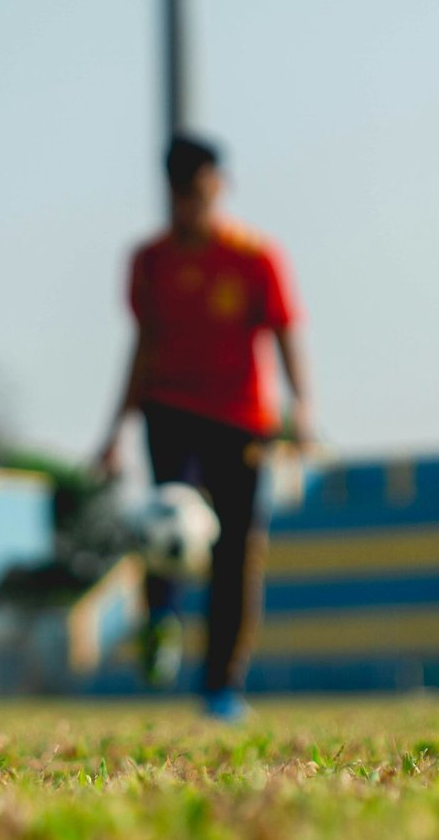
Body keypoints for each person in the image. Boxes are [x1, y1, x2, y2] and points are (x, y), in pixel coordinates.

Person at [95, 133, 313, 722]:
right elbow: (142, 346)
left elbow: (285, 331)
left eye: (199, 191)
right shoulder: (150, 261)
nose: (190, 204)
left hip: (242, 422)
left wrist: (302, 408)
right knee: (166, 517)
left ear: (219, 186)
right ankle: (160, 619)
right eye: (179, 193)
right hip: (170, 410)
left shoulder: (255, 257)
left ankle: (221, 686)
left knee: (236, 553)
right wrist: (114, 432)